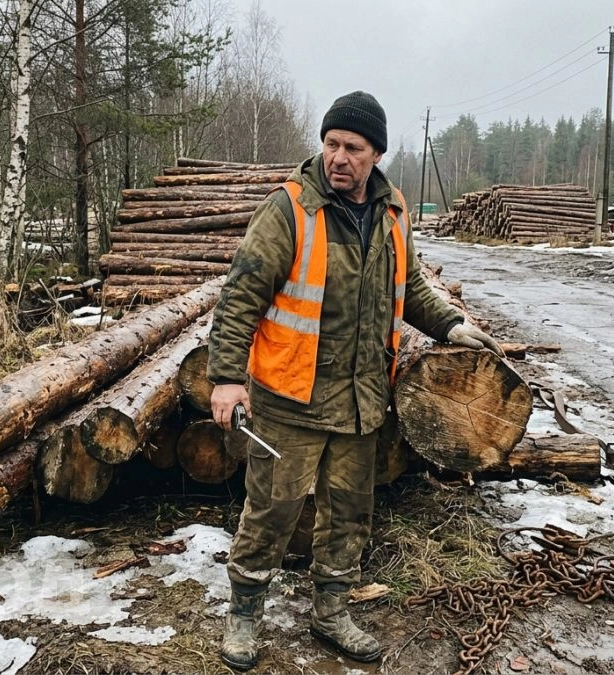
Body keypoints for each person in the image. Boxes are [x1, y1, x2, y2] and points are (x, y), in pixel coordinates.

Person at [207, 90, 502, 671]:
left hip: (362, 397)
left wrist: (452, 324)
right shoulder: (290, 209)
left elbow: (411, 286)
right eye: (331, 144)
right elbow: (241, 294)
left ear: (376, 154)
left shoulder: (393, 211)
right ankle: (244, 612)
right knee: (272, 508)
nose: (339, 157)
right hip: (291, 396)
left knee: (349, 512)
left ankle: (331, 612)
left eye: (353, 148)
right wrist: (225, 378)